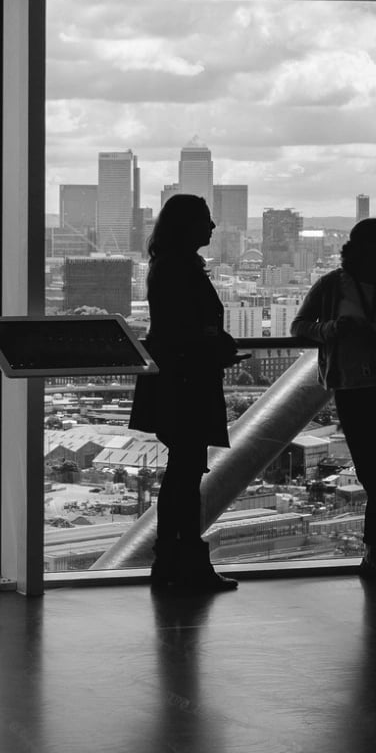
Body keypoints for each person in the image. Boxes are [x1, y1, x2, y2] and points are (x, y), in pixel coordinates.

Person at [129, 194, 240, 593]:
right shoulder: (181, 268)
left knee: (182, 473)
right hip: (187, 383)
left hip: (175, 381)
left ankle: (172, 561)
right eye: (206, 219)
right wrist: (215, 344)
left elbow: (176, 327)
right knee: (186, 475)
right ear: (187, 226)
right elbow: (188, 328)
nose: (212, 226)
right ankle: (186, 562)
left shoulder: (167, 265)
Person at [291, 218, 376, 578]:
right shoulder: (331, 285)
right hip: (354, 387)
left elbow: (299, 327)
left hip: (352, 387)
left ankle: (372, 555)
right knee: (371, 473)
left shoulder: (333, 286)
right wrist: (332, 330)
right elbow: (300, 326)